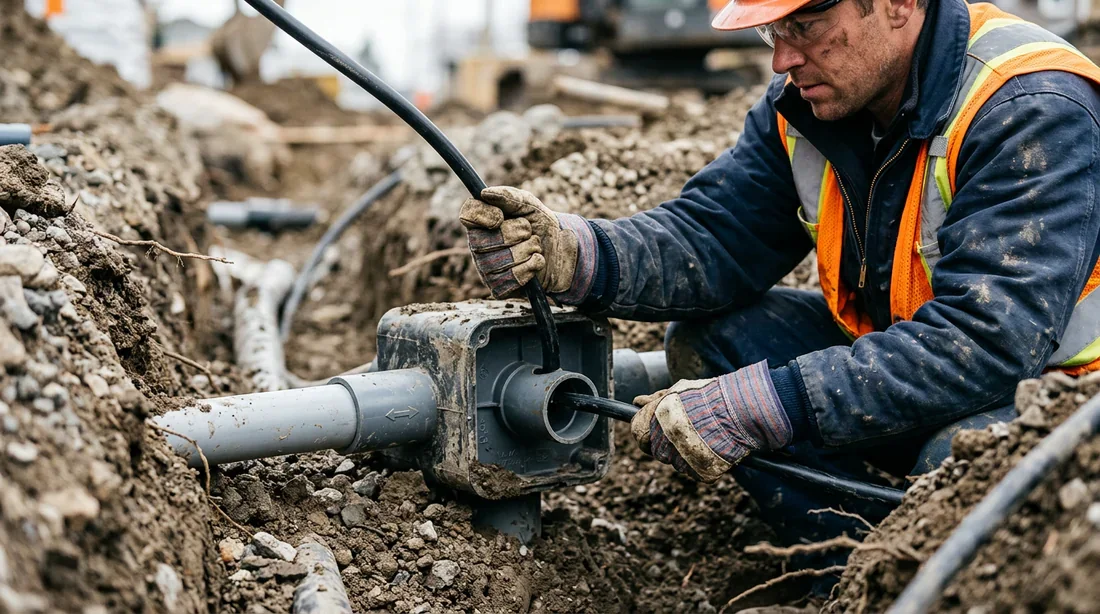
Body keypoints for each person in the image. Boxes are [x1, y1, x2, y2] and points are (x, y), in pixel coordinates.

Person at [461, 0, 1100, 543]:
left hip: (1061, 399)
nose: (781, 59)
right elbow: (715, 237)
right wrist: (575, 252)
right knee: (713, 343)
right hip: (924, 367)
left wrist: (771, 405)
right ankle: (841, 570)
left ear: (901, 4)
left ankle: (908, 571)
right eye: (773, 33)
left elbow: (987, 339)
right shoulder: (811, 105)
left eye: (803, 26)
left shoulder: (1027, 104)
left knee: (959, 466)